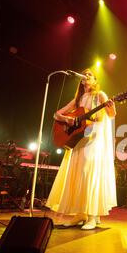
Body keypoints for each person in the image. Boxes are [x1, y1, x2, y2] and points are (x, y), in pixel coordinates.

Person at [46, 69, 117, 230]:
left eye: (90, 74)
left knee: (88, 172)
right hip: (79, 139)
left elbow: (111, 115)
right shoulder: (78, 99)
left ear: (94, 79)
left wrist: (112, 107)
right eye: (84, 75)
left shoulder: (101, 95)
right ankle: (80, 214)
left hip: (94, 138)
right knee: (78, 173)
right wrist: (68, 119)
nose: (86, 76)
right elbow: (56, 114)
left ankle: (92, 215)